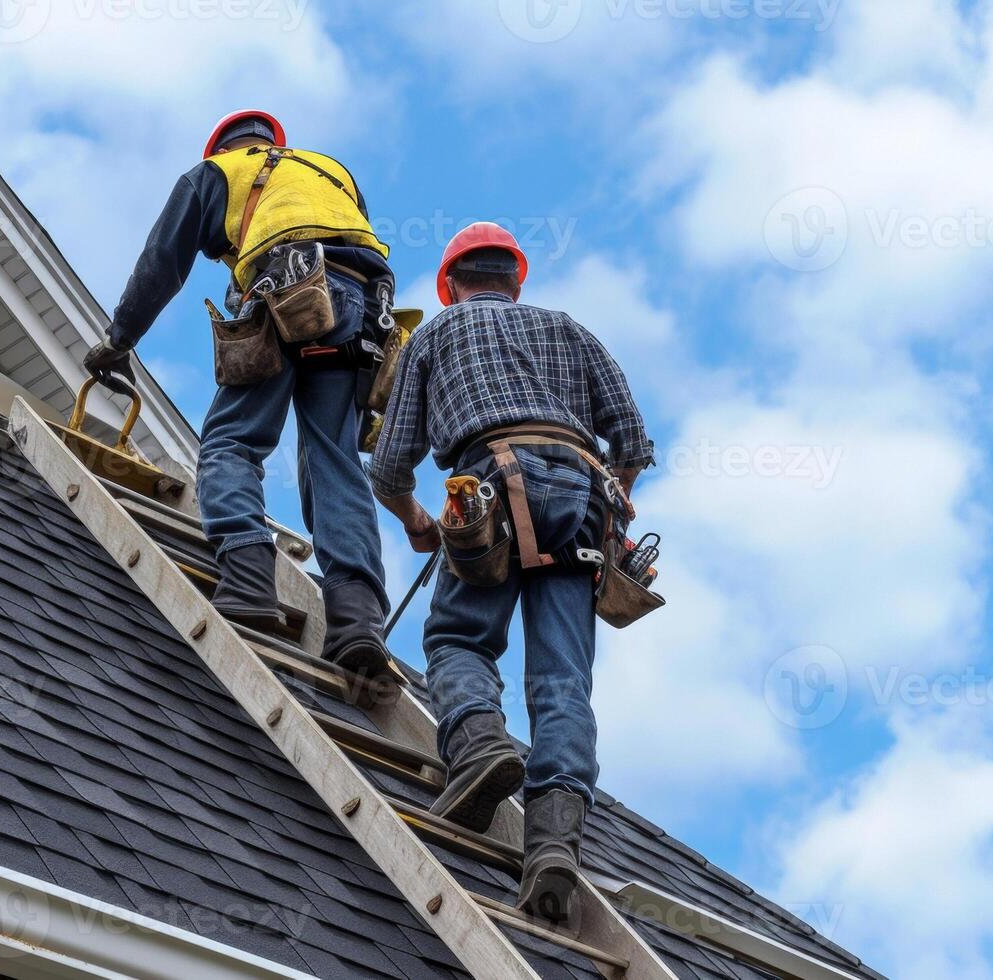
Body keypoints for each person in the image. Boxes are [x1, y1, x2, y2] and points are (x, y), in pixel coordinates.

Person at [368, 222, 655, 923]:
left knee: (459, 639)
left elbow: (388, 464)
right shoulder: (568, 329)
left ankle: (478, 744)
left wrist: (416, 520)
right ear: (515, 279)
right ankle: (553, 841)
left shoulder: (434, 336)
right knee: (562, 680)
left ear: (450, 285)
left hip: (488, 480)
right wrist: (611, 507)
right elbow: (632, 439)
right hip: (583, 494)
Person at [84, 109, 396, 678]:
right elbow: (356, 250)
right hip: (362, 312)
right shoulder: (329, 171)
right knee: (335, 460)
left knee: (232, 442)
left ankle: (250, 578)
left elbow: (163, 261)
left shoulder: (216, 174)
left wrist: (118, 339)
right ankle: (357, 622)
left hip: (285, 288)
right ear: (275, 142)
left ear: (220, 148)